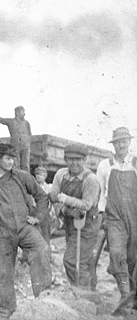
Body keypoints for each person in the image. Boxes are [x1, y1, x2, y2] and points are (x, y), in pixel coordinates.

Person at [0, 143, 51, 320]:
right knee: (4, 272)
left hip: (24, 227)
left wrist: (37, 217)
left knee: (41, 248)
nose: (11, 161)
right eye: (7, 158)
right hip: (1, 231)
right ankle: (6, 311)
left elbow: (42, 196)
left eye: (13, 158)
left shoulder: (22, 177)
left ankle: (43, 298)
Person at [49, 144, 100, 288]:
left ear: (85, 160)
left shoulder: (91, 180)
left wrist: (64, 199)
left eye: (78, 159)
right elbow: (53, 197)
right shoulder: (61, 174)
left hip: (88, 226)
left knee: (72, 261)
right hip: (71, 224)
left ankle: (82, 294)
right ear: (65, 160)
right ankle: (92, 295)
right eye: (70, 159)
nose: (74, 163)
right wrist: (66, 210)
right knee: (86, 261)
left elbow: (86, 205)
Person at [96, 127, 137, 303]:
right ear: (113, 144)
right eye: (118, 142)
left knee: (132, 257)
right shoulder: (105, 165)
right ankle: (125, 294)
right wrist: (100, 214)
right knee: (117, 253)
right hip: (114, 217)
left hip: (134, 216)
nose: (121, 145)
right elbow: (99, 192)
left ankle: (133, 295)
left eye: (124, 141)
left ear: (129, 142)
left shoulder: (135, 164)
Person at [0, 106, 32, 172]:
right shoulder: (11, 121)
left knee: (25, 164)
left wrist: (27, 144)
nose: (24, 114)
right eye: (22, 112)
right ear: (17, 113)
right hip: (16, 146)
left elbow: (29, 134)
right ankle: (16, 178)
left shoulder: (26, 123)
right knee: (15, 163)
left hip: (25, 146)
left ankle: (26, 179)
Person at [33, 166, 54, 244]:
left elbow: (52, 201)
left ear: (45, 176)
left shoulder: (49, 188)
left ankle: (47, 255)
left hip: (45, 214)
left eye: (41, 174)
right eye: (37, 174)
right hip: (34, 213)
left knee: (45, 236)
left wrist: (52, 213)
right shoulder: (32, 186)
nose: (38, 176)